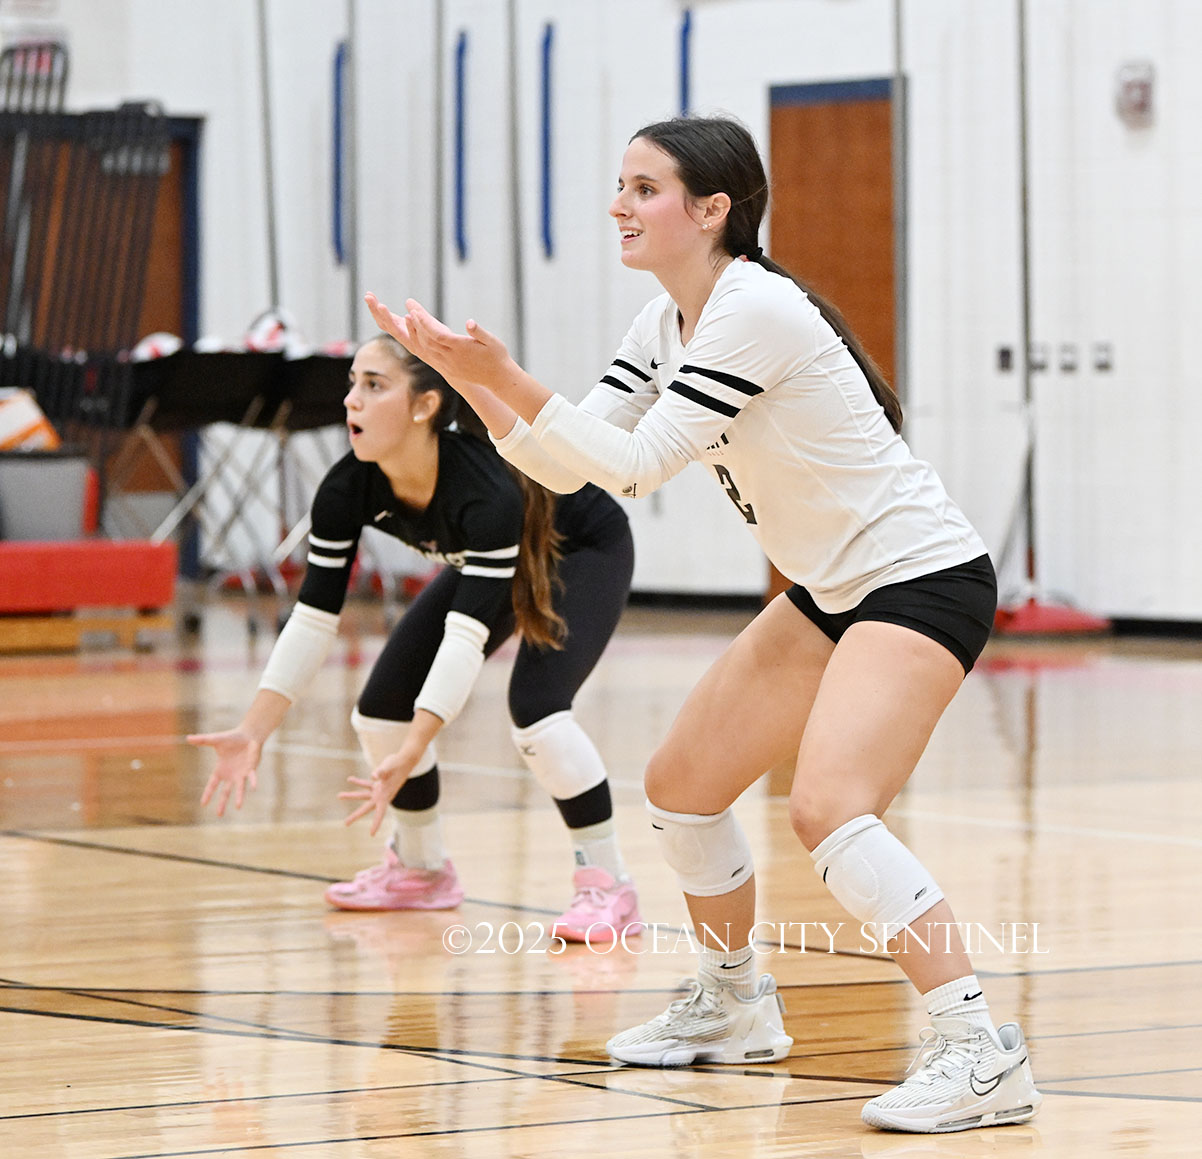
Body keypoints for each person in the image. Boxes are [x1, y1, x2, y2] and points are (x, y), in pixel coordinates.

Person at [362, 115, 1042, 1134]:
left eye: (643, 189)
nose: (618, 206)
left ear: (713, 208)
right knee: (682, 788)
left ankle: (980, 1052)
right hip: (830, 588)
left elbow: (634, 469)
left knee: (829, 807)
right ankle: (732, 1003)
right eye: (620, 185)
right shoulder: (663, 322)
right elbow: (565, 467)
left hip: (920, 579)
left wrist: (504, 377)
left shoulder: (753, 309)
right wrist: (472, 380)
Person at [188, 335, 641, 943]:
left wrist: (420, 743)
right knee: (381, 713)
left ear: (425, 406)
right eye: (352, 383)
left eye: (374, 385)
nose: (351, 400)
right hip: (489, 561)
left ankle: (609, 883)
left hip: (581, 549)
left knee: (538, 713)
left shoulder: (483, 491)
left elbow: (464, 638)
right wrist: (253, 730)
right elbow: (313, 618)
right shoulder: (347, 487)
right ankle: (422, 870)